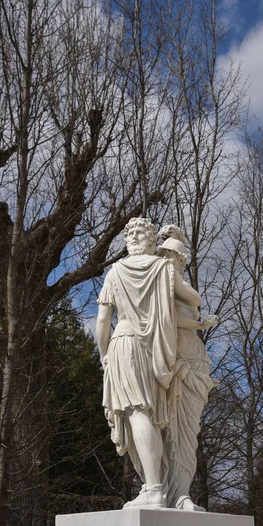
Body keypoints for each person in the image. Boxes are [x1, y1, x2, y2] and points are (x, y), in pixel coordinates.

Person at [96, 217, 202, 508]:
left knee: (137, 413)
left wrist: (104, 354)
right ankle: (154, 487)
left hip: (124, 343)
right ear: (151, 242)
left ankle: (154, 488)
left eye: (134, 234)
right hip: (154, 351)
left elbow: (103, 323)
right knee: (150, 416)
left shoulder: (115, 272)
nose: (133, 238)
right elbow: (194, 299)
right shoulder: (163, 269)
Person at [157, 225, 217, 511]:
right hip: (176, 360)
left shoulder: (172, 280)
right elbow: (192, 302)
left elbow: (191, 300)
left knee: (188, 433)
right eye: (168, 256)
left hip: (195, 361)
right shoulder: (165, 282)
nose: (172, 262)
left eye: (176, 258)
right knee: (173, 431)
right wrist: (199, 323)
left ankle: (181, 493)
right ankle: (172, 494)